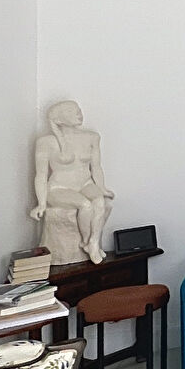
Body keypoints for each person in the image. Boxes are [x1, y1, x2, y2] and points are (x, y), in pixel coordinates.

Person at [29, 100, 114, 264]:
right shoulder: (46, 142)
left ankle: (93, 243)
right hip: (58, 188)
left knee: (99, 202)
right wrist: (41, 203)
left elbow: (96, 167)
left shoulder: (92, 137)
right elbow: (41, 175)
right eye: (71, 111)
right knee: (85, 205)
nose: (78, 113)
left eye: (78, 109)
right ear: (59, 119)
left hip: (85, 183)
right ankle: (85, 242)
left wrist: (102, 188)